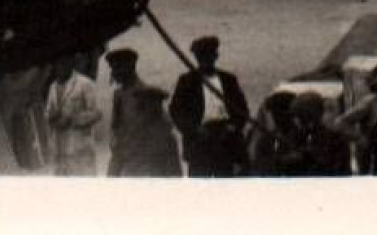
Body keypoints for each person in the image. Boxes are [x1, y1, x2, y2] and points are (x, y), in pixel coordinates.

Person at [169, 35, 250, 177]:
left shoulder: (229, 80)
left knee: (226, 186)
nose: (205, 60)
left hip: (226, 140)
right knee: (200, 188)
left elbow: (242, 109)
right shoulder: (187, 81)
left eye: (209, 56)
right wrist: (194, 129)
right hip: (200, 141)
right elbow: (176, 111)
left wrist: (233, 126)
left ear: (215, 56)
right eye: (201, 57)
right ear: (197, 58)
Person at [106, 48, 181, 177]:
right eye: (113, 68)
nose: (114, 73)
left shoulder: (146, 95)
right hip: (125, 157)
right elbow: (116, 126)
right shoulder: (118, 94)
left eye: (118, 68)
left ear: (130, 67)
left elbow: (163, 128)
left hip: (145, 161)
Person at [44, 56, 104, 175]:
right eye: (57, 64)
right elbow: (47, 112)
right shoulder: (53, 87)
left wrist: (73, 119)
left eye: (63, 63)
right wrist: (51, 116)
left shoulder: (85, 83)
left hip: (80, 148)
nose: (60, 67)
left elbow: (97, 112)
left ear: (71, 64)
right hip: (59, 149)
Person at [284, 92, 351, 177]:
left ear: (307, 116)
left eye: (297, 116)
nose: (294, 120)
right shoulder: (298, 135)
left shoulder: (333, 139)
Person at [247, 90, 300, 176]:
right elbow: (259, 167)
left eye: (279, 113)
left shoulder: (301, 136)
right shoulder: (266, 140)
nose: (277, 117)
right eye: (275, 114)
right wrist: (281, 161)